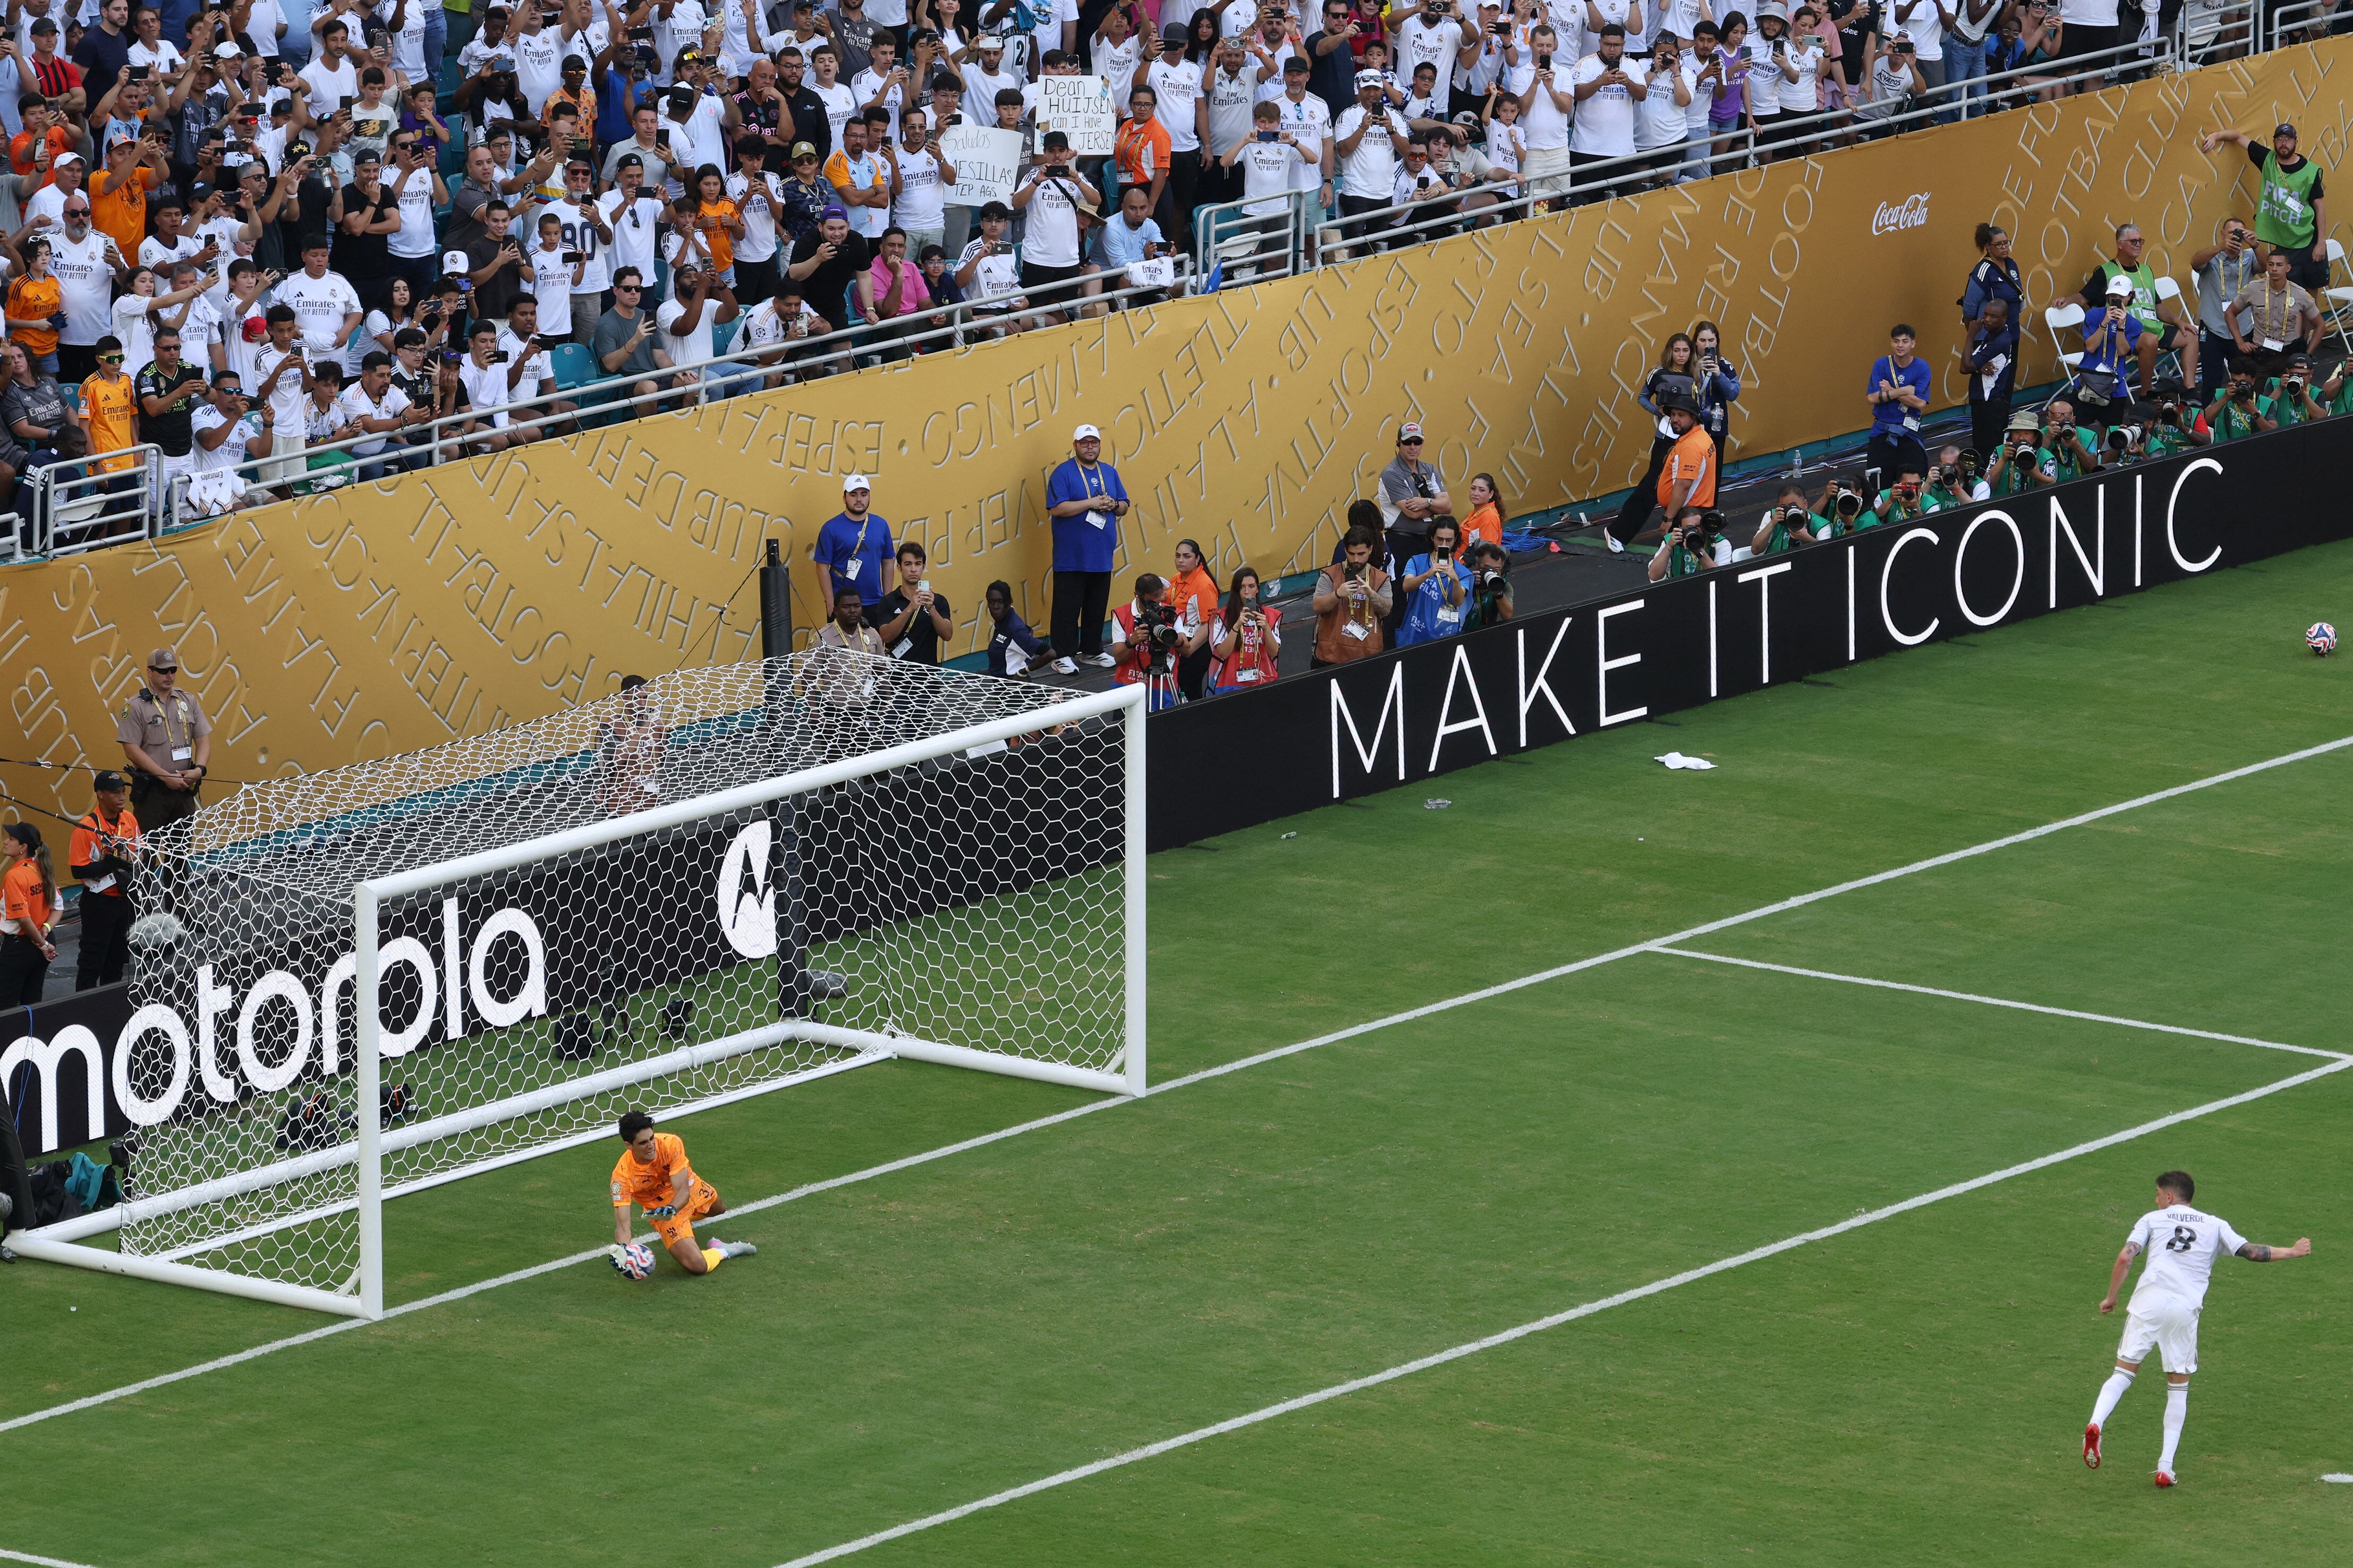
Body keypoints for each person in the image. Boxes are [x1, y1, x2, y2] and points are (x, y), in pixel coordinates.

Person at [2084, 1170, 2309, 1488]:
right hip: (2184, 1308)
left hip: (2148, 1300)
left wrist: (2111, 1298)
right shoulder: (2215, 1225)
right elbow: (2253, 1253)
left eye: (2158, 1193)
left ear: (2170, 1197)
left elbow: (2125, 1258)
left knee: (2123, 1373)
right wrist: (2294, 1251)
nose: (2155, 1198)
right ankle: (2165, 1467)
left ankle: (2095, 1423)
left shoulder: (2152, 1219)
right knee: (2178, 1386)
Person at [606, 1110, 757, 1277]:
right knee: (697, 1266)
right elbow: (623, 1226)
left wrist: (672, 1208)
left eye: (652, 1138)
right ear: (629, 1145)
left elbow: (683, 1192)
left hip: (685, 1192)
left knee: (719, 1209)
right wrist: (622, 1251)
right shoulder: (622, 1177)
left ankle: (685, 1223)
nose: (651, 1146)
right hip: (661, 1211)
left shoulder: (670, 1144)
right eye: (643, 1143)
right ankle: (724, 1250)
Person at [2198, 122, 2329, 294]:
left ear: (2296, 142)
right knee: (2289, 297)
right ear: (2274, 142)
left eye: (2288, 139)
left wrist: (2321, 243)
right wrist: (2216, 136)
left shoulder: (2310, 171)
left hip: (2308, 241)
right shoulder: (2268, 160)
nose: (2284, 143)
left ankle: (2314, 323)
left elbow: (2320, 208)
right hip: (2283, 244)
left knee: (2311, 298)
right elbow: (2238, 137)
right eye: (2280, 139)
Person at [1044, 422, 1130, 674]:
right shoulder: (1063, 473)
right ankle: (1062, 655)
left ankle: (1092, 651)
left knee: (1096, 607)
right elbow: (1057, 508)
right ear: (1075, 446)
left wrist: (1113, 505)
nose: (1090, 447)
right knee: (1067, 609)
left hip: (1101, 555)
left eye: (1094, 443)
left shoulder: (1110, 472)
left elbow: (1125, 505)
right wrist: (1091, 502)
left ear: (1100, 445)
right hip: (1071, 557)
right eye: (1084, 443)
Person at [2075, 223, 2199, 396]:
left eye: (2140, 241)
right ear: (2120, 244)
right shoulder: (2106, 271)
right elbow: (2083, 297)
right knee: (2150, 340)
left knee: (2192, 336)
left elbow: (2158, 307)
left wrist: (2180, 322)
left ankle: (2190, 391)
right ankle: (2146, 393)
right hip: (2127, 333)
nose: (2138, 245)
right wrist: (2066, 301)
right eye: (2133, 241)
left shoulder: (2146, 270)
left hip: (2153, 327)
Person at [1611, 330, 1697, 546]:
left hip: (1692, 437)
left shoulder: (1697, 374)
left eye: (1686, 351)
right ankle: (1617, 533)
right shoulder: (1658, 373)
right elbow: (1642, 397)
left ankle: (1683, 534)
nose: (1681, 355)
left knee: (1687, 486)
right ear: (1670, 351)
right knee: (1652, 486)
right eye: (1677, 350)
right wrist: (1658, 412)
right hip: (1667, 437)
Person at [116, 645, 211, 832]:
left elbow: (203, 739)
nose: (169, 675)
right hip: (153, 791)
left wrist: (199, 770)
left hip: (185, 788)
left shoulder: (188, 701)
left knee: (181, 854)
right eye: (163, 671)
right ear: (150, 672)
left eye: (173, 670)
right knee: (147, 853)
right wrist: (165, 776)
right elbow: (131, 750)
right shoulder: (135, 707)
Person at [67, 768, 139, 990]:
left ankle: (111, 1007)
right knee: (92, 961)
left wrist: (127, 858)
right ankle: (82, 1009)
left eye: (124, 792)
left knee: (117, 960)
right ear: (100, 794)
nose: (122, 798)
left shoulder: (128, 819)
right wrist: (109, 864)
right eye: (116, 793)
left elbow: (140, 853)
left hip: (125, 899)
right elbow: (78, 870)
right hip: (99, 902)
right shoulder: (86, 827)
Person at [2188, 216, 2261, 401]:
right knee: (2212, 379)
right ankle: (2209, 422)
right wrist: (2221, 247)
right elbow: (2195, 261)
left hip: (2242, 327)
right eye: (2231, 233)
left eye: (2240, 234)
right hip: (2213, 327)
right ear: (2222, 234)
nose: (2235, 238)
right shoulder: (2212, 256)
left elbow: (2266, 265)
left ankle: (2245, 414)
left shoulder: (2250, 256)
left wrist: (2256, 245)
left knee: (2244, 377)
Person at [2226, 246, 2321, 385]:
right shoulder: (2254, 289)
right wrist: (2240, 342)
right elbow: (2230, 313)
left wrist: (2307, 355)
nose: (2274, 269)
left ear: (2288, 268)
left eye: (2279, 265)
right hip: (2261, 356)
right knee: (2258, 397)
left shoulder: (2299, 294)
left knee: (2291, 396)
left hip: (2288, 356)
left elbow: (2320, 325)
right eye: (2271, 265)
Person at [1312, 524, 1392, 665]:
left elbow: (1386, 611)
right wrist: (1337, 594)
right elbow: (1317, 607)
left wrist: (1371, 594)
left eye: (1361, 554)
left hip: (1367, 654)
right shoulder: (1330, 575)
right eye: (1351, 554)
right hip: (1330, 654)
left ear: (1370, 550)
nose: (1356, 560)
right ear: (1345, 550)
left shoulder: (1381, 578)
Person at [813, 472, 895, 610]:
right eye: (853, 495)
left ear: (869, 497)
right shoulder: (830, 528)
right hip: (843, 603)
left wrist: (887, 599)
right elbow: (822, 567)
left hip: (875, 602)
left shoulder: (881, 525)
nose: (859, 499)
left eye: (864, 494)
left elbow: (888, 562)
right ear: (844, 498)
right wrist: (830, 601)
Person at [0, 821, 60, 1004]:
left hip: (20, 949)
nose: (5, 842)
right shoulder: (42, 868)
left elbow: (24, 919)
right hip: (44, 941)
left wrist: (42, 946)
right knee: (32, 1004)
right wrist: (46, 929)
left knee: (6, 1007)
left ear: (23, 848)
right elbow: (58, 908)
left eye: (11, 839)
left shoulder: (15, 876)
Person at [1377, 419, 1450, 562]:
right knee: (1404, 584)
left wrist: (1426, 502)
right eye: (1407, 442)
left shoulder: (1429, 469)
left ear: (1423, 443)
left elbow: (1448, 506)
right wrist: (1438, 506)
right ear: (1399, 443)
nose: (1412, 447)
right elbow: (1413, 513)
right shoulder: (1391, 473)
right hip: (1401, 541)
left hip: (1428, 540)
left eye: (1417, 442)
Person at [1864, 321, 1930, 479]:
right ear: (1892, 342)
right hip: (1882, 431)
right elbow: (1872, 398)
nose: (1900, 346)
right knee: (1878, 481)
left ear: (1913, 344)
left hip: (1909, 432)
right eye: (1896, 341)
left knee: (1914, 479)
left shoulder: (1922, 367)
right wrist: (1904, 390)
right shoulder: (1881, 364)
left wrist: (1890, 390)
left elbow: (1921, 403)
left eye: (1905, 342)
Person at [871, 539, 953, 663]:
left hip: (929, 675)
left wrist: (931, 609)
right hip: (898, 675)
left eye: (918, 564)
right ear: (899, 567)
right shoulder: (888, 601)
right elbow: (886, 637)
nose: (913, 569)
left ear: (924, 567)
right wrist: (910, 608)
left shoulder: (938, 601)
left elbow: (948, 635)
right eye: (908, 564)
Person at [598, 674, 668, 816]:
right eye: (637, 699)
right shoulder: (611, 725)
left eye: (645, 698)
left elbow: (660, 761)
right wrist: (645, 729)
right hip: (620, 802)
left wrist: (661, 733)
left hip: (649, 798)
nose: (643, 703)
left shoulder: (657, 726)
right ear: (624, 698)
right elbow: (617, 758)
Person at [1396, 516, 1471, 645]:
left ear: (1455, 540)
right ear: (1432, 537)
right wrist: (1428, 574)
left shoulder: (1462, 572)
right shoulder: (1416, 561)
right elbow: (1406, 586)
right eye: (1440, 539)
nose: (1444, 545)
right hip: (1414, 632)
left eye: (1449, 540)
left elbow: (1458, 602)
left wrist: (1455, 580)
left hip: (1445, 635)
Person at [1209, 564, 1281, 692]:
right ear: (1236, 590)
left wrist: (1266, 629)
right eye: (1242, 587)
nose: (1246, 592)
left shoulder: (1270, 616)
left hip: (1263, 681)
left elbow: (1274, 652)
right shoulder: (1222, 617)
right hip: (1231, 684)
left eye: (1251, 587)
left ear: (1258, 589)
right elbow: (1223, 653)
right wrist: (1236, 627)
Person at [1165, 538, 1221, 700]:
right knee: (1180, 687)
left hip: (1196, 647)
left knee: (1190, 688)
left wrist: (1189, 649)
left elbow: (1209, 624)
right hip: (1180, 643)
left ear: (1197, 559)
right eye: (1178, 556)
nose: (1181, 560)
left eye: (1187, 556)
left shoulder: (1204, 584)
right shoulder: (1177, 578)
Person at [1966, 296, 2018, 458]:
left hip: (1990, 405)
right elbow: (1974, 359)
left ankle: (1990, 482)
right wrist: (1979, 366)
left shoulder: (1998, 342)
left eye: (1993, 316)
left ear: (2004, 319)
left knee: (1988, 453)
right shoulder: (1994, 335)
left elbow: (1965, 366)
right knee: (1982, 448)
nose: (1987, 319)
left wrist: (1970, 334)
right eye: (1985, 314)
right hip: (1987, 403)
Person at [982, 580, 1054, 677]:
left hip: (1014, 687)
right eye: (991, 602)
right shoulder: (1003, 622)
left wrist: (1023, 673)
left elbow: (1050, 654)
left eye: (1000, 602)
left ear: (1009, 602)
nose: (996, 607)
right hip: (1000, 685)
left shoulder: (1015, 629)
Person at [1647, 505, 1723, 580]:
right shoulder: (1672, 540)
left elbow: (1721, 577)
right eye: (1689, 528)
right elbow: (1654, 576)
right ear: (1680, 528)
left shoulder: (1719, 542)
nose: (1694, 531)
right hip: (1680, 588)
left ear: (1704, 525)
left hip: (1710, 587)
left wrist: (1699, 551)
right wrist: (1669, 547)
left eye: (1697, 526)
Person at [1460, 472, 1506, 553]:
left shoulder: (1489, 517)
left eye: (1482, 490)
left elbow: (1488, 553)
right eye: (1473, 488)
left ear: (1491, 494)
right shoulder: (1476, 513)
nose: (1475, 493)